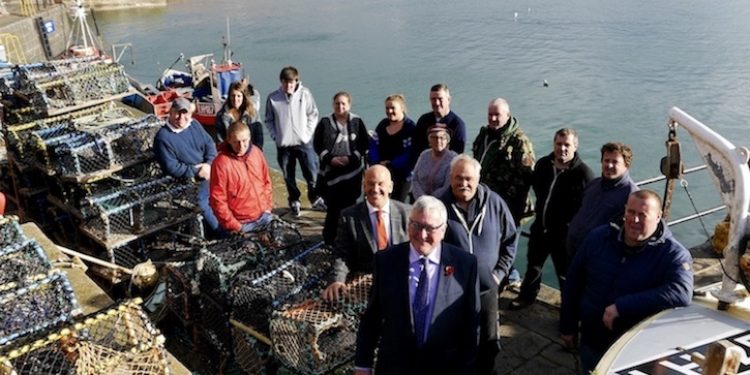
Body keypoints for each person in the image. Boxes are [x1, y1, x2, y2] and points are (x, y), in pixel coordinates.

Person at [560, 190, 693, 373]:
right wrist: (568, 325)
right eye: (630, 212)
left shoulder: (673, 254)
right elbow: (574, 280)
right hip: (592, 341)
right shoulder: (599, 237)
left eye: (642, 215)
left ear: (658, 216)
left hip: (632, 352)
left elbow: (681, 292)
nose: (634, 220)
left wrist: (622, 306)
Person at [355, 195, 480, 374]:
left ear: (444, 230)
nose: (422, 235)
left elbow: (471, 325)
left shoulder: (465, 265)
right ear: (408, 224)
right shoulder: (386, 261)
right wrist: (362, 365)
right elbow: (372, 317)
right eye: (417, 225)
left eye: (430, 228)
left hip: (444, 366)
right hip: (395, 366)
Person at [439, 154, 517, 375]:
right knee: (454, 339)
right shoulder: (438, 205)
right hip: (452, 292)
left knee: (489, 340)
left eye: (468, 178)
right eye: (458, 177)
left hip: (486, 289)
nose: (463, 183)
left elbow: (510, 240)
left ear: (478, 178)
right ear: (450, 177)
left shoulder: (495, 203)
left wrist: (499, 274)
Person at [511, 128, 594, 310]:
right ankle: (527, 296)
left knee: (566, 274)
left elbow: (588, 209)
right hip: (541, 227)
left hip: (564, 235)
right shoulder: (543, 165)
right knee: (533, 265)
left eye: (567, 145)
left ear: (575, 146)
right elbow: (535, 187)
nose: (562, 148)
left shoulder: (583, 174)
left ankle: (569, 309)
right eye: (559, 144)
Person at [322, 165, 410, 301]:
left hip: (401, 280)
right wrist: (337, 280)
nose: (375, 189)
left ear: (391, 187)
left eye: (381, 184)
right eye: (370, 184)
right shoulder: (349, 216)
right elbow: (342, 254)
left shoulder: (408, 213)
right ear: (364, 186)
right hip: (365, 283)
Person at [154, 97, 219, 234]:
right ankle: (220, 232)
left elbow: (210, 145)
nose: (181, 117)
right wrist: (196, 171)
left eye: (185, 113)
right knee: (202, 203)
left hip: (208, 169)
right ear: (171, 112)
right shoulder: (163, 137)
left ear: (190, 114)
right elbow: (172, 167)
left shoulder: (194, 124)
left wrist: (208, 164)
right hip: (187, 180)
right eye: (177, 113)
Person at [313, 91, 369, 245]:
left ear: (349, 105)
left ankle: (349, 238)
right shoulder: (325, 123)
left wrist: (350, 158)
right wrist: (331, 159)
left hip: (353, 173)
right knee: (333, 208)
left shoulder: (357, 122)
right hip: (331, 173)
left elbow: (364, 144)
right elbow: (317, 144)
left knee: (350, 206)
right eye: (337, 103)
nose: (340, 106)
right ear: (333, 105)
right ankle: (329, 239)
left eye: (343, 103)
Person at [265, 66, 320, 217]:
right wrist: (276, 136)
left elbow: (313, 114)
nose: (288, 85)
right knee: (288, 175)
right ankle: (294, 200)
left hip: (304, 143)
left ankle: (314, 198)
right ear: (281, 82)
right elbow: (268, 120)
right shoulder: (273, 98)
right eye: (285, 82)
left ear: (296, 81)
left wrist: (307, 134)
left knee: (312, 173)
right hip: (284, 145)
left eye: (291, 82)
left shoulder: (305, 94)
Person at [566, 142, 639, 256]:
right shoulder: (594, 184)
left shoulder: (631, 195)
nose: (609, 165)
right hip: (575, 250)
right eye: (606, 160)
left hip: (598, 257)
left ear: (626, 165)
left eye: (615, 162)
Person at [472, 98, 535, 224]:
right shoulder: (484, 135)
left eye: (497, 115)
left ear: (508, 115)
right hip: (483, 202)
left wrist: (505, 202)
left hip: (508, 208)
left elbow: (526, 177)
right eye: (490, 115)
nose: (493, 118)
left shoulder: (519, 141)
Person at [209, 122, 273, 233]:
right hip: (242, 223)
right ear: (229, 140)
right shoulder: (221, 163)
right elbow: (218, 200)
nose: (241, 146)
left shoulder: (257, 153)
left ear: (249, 138)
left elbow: (266, 182)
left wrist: (268, 207)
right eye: (236, 142)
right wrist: (235, 225)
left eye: (244, 141)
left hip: (264, 215)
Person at [368, 94, 417, 202]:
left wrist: (391, 164)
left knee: (397, 205)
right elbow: (373, 146)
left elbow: (410, 153)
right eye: (387, 108)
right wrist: (377, 164)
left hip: (403, 176)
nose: (389, 111)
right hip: (382, 173)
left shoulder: (410, 128)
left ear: (402, 108)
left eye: (393, 108)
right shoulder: (383, 125)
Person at [413, 84, 467, 157]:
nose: (437, 103)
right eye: (433, 99)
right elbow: (416, 148)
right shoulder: (423, 120)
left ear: (449, 99)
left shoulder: (457, 124)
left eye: (440, 99)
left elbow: (457, 154)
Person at [411, 123, 457, 200]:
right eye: (434, 137)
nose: (438, 140)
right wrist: (421, 197)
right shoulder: (424, 155)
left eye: (442, 138)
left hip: (442, 201)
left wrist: (431, 199)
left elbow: (448, 185)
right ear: (429, 140)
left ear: (447, 141)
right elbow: (415, 178)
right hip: (420, 200)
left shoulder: (453, 158)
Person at [215, 80, 263, 149]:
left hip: (251, 152)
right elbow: (220, 140)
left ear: (243, 97)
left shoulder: (252, 113)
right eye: (233, 96)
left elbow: (258, 135)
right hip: (230, 155)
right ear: (229, 96)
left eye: (238, 96)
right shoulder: (221, 116)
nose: (235, 99)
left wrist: (256, 151)